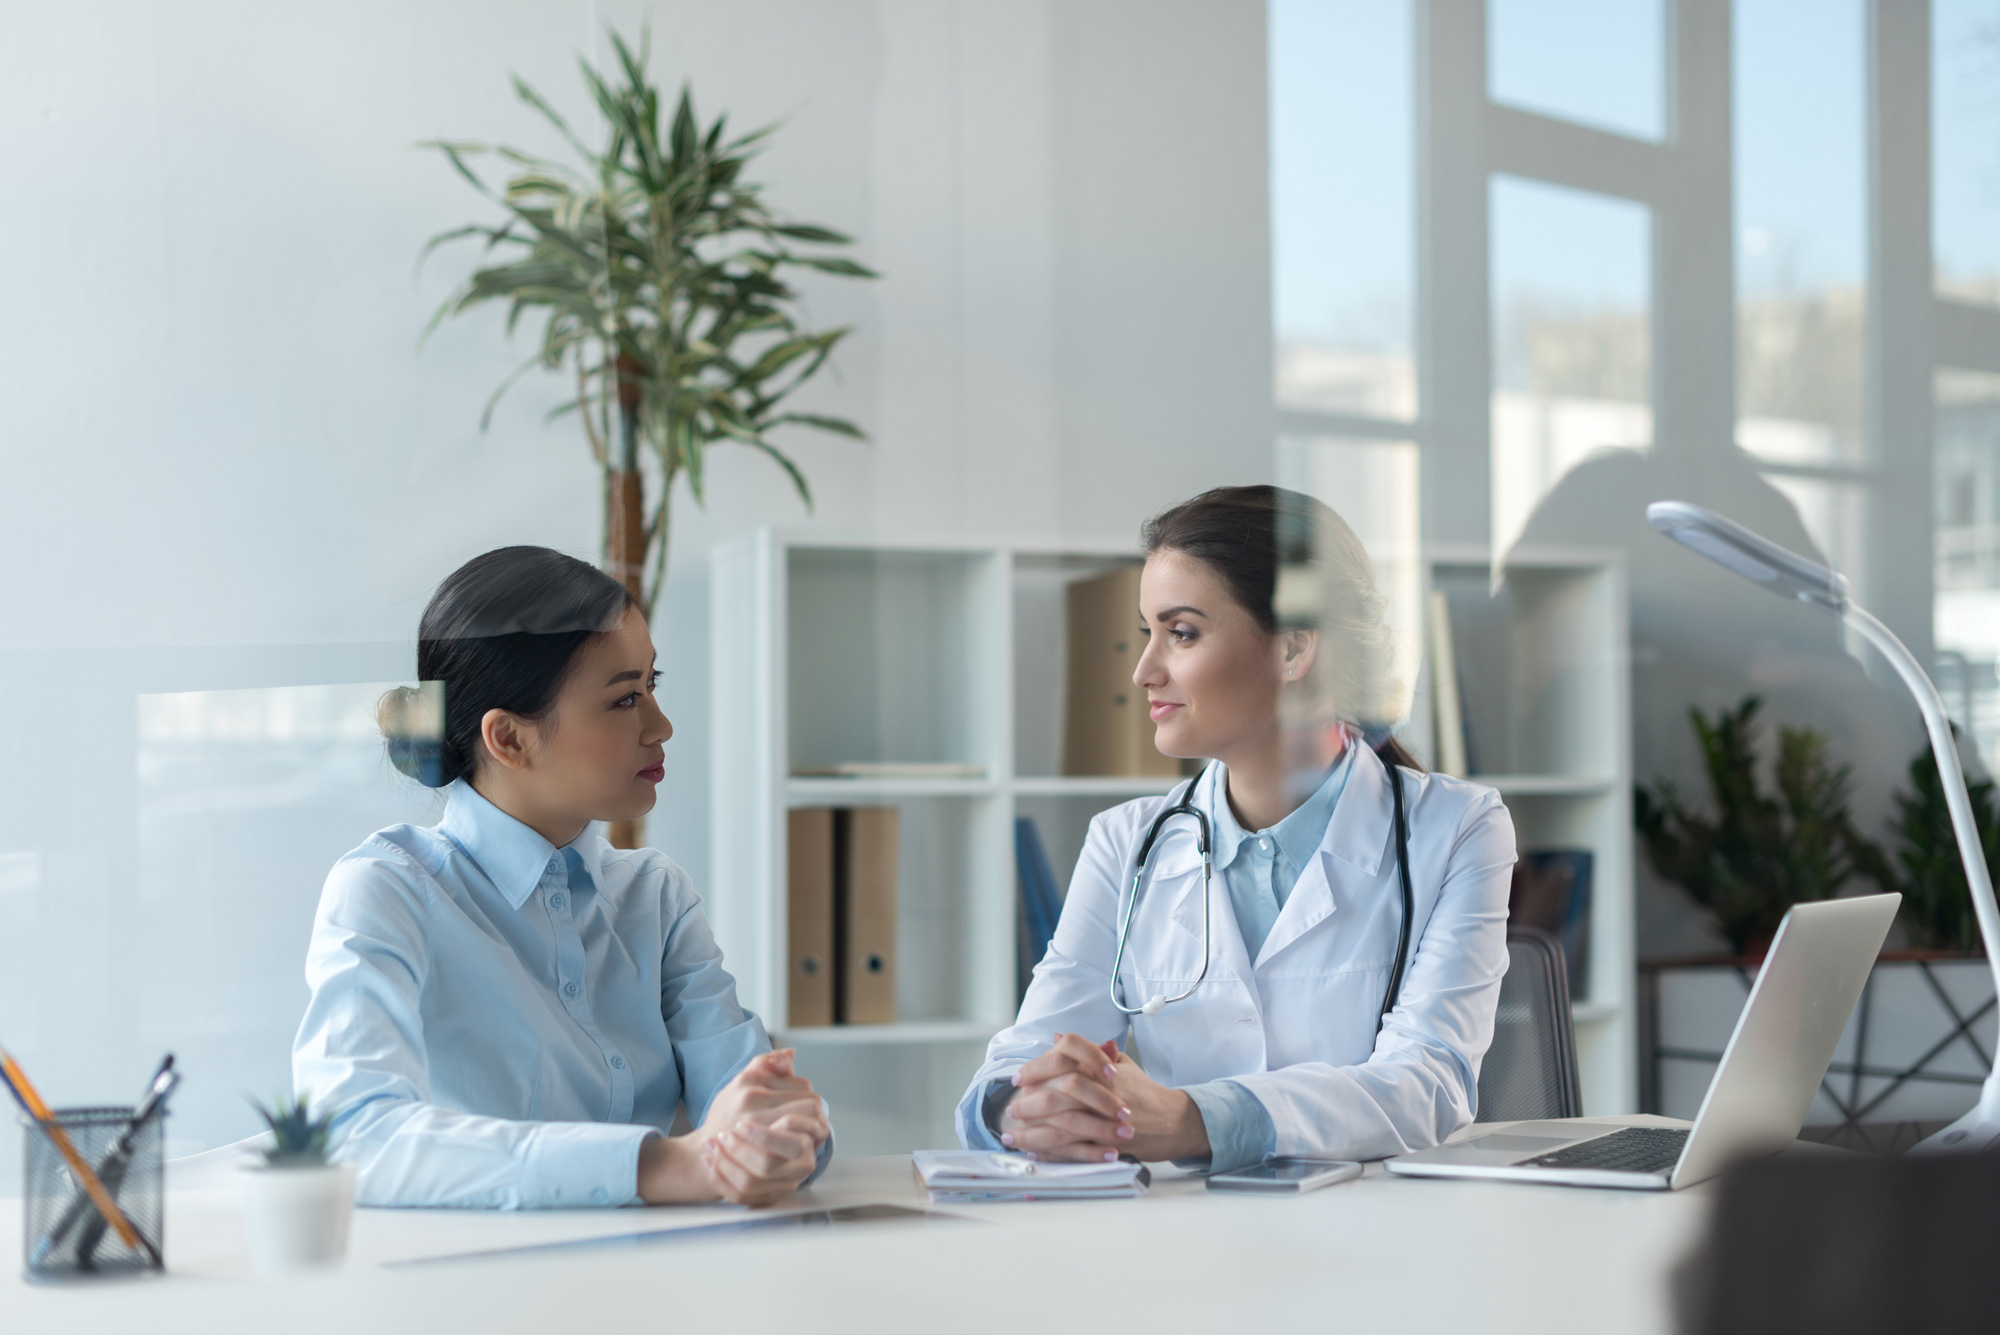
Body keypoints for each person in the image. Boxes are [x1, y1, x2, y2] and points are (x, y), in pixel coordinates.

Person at [957, 486, 1516, 1169]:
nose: (1143, 670)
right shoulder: (1125, 842)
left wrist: (1195, 1119)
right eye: (1147, 633)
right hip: (1187, 1242)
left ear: (1292, 649)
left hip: (1376, 1243)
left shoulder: (1457, 829)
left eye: (1181, 632)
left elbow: (1429, 1085)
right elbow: (1024, 1055)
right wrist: (1021, 1108)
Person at [294, 546, 830, 1208]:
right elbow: (352, 1137)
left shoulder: (655, 896)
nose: (661, 726)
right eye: (625, 698)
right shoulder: (387, 890)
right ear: (510, 739)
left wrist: (779, 1135)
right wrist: (661, 1165)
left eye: (652, 686)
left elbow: (756, 1111)